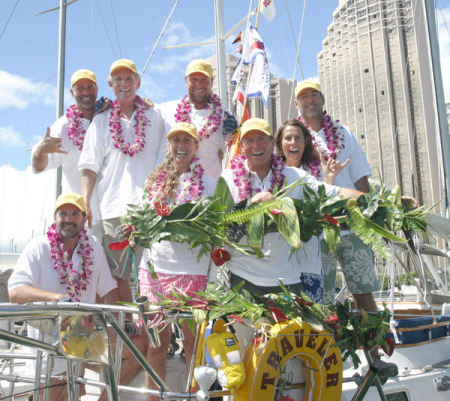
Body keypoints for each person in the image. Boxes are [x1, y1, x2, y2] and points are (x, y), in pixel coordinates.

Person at [294, 79, 398, 379]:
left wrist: (369, 216)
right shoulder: (296, 136)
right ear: (298, 104)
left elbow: (361, 176)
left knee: (363, 293)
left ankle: (375, 357)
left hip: (352, 226)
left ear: (322, 99)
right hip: (319, 229)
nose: (310, 100)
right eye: (304, 96)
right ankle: (327, 362)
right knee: (322, 297)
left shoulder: (343, 133)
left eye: (314, 94)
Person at [8, 193, 146, 401]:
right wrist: (57, 298)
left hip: (83, 335)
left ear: (84, 218)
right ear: (55, 217)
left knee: (140, 345)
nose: (69, 219)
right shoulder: (37, 247)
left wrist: (124, 321)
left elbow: (109, 289)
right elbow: (15, 292)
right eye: (63, 213)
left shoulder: (92, 247)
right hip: (48, 346)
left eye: (75, 214)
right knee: (56, 394)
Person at [221, 118, 364, 299]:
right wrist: (249, 206)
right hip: (243, 281)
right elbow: (218, 222)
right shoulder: (227, 178)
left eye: (262, 139)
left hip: (288, 281)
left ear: (273, 143)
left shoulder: (295, 177)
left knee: (295, 329)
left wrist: (380, 200)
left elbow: (336, 193)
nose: (256, 145)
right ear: (241, 146)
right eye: (250, 140)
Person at [137, 122, 217, 401]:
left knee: (194, 344)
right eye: (176, 140)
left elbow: (216, 229)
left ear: (196, 146)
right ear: (169, 145)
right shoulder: (152, 182)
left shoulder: (210, 184)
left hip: (193, 273)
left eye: (187, 140)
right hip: (155, 273)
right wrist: (134, 228)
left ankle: (194, 397)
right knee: (157, 344)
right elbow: (141, 223)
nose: (181, 145)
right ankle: (152, 398)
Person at [79, 59, 165, 303]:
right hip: (114, 210)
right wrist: (85, 202)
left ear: (138, 83)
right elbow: (89, 167)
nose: (124, 83)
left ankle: (155, 337)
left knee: (155, 275)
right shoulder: (101, 121)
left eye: (129, 78)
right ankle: (127, 333)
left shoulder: (155, 114)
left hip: (152, 210)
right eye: (118, 79)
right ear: (110, 84)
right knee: (118, 277)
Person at [31, 69, 104, 240]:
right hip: (83, 218)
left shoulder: (109, 118)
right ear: (72, 92)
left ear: (97, 89)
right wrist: (40, 152)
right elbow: (38, 166)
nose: (85, 92)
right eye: (80, 88)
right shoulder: (63, 126)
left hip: (113, 212)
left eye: (90, 87)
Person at [158, 58, 238, 179]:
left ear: (212, 82)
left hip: (212, 192)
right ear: (186, 81)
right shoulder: (166, 110)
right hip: (174, 189)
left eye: (204, 80)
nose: (199, 85)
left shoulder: (225, 116)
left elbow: (233, 154)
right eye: (194, 79)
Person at [274, 118, 349, 185]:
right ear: (279, 144)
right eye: (288, 138)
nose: (293, 142)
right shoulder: (272, 173)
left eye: (298, 138)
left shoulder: (319, 172)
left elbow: (326, 197)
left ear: (305, 142)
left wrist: (328, 181)